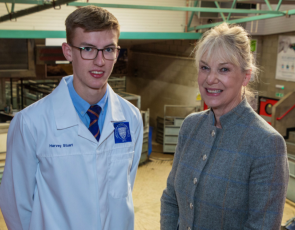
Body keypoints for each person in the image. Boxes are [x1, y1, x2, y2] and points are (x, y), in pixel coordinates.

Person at [0, 6, 143, 230]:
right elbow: (17, 207)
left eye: (108, 49)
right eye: (87, 49)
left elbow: (125, 187)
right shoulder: (31, 123)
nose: (99, 61)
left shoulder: (130, 117)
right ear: (68, 51)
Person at [161, 23, 289, 230]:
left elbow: (261, 226)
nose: (210, 79)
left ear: (246, 76)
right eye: (204, 68)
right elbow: (170, 198)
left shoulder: (266, 143)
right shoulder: (191, 126)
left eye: (224, 69)